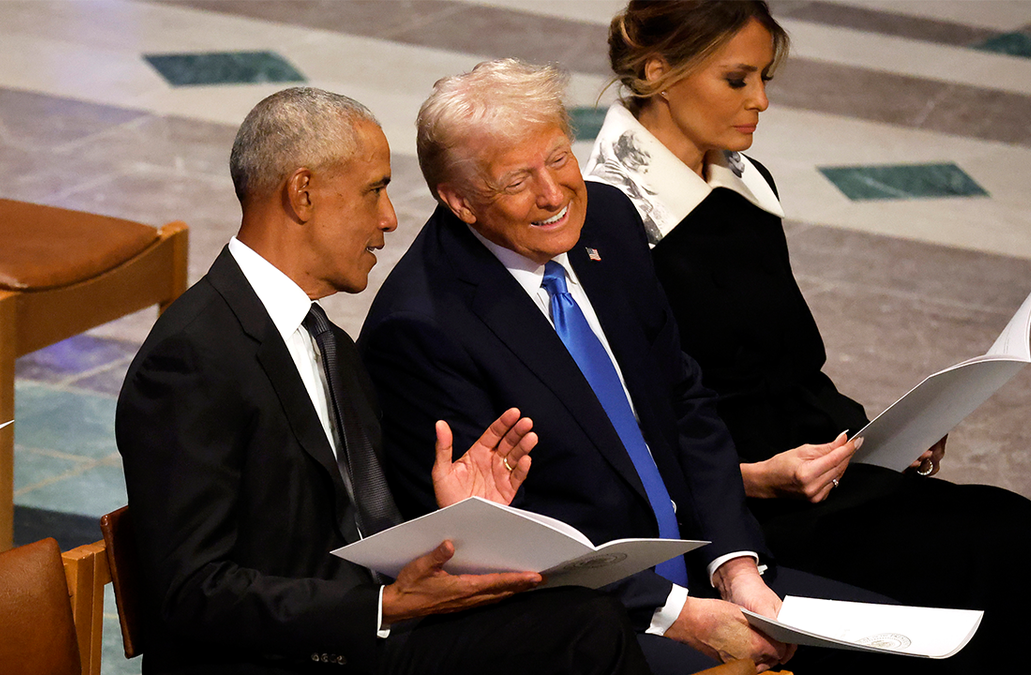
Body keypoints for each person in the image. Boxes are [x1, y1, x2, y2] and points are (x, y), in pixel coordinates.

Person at [358, 59, 965, 675]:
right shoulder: (420, 329)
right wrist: (681, 614)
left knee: (918, 658)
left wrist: (736, 568)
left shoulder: (610, 221)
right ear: (458, 199)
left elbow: (684, 402)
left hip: (707, 567)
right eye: (516, 181)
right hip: (593, 618)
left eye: (560, 159)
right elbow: (492, 541)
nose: (554, 195)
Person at [584, 1, 1031, 673]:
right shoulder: (606, 219)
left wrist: (885, 432)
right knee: (990, 547)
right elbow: (623, 427)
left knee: (1011, 532)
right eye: (738, 79)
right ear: (658, 71)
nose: (761, 101)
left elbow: (783, 366)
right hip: (737, 511)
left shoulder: (747, 182)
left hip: (823, 474)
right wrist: (756, 479)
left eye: (766, 78)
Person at [115, 86, 651, 675]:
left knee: (582, 616)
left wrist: (461, 522)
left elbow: (346, 524)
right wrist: (378, 607)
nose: (390, 219)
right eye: (375, 190)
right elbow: (192, 590)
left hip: (366, 639)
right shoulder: (192, 358)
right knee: (583, 634)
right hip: (290, 656)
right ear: (303, 193)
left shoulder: (328, 342)